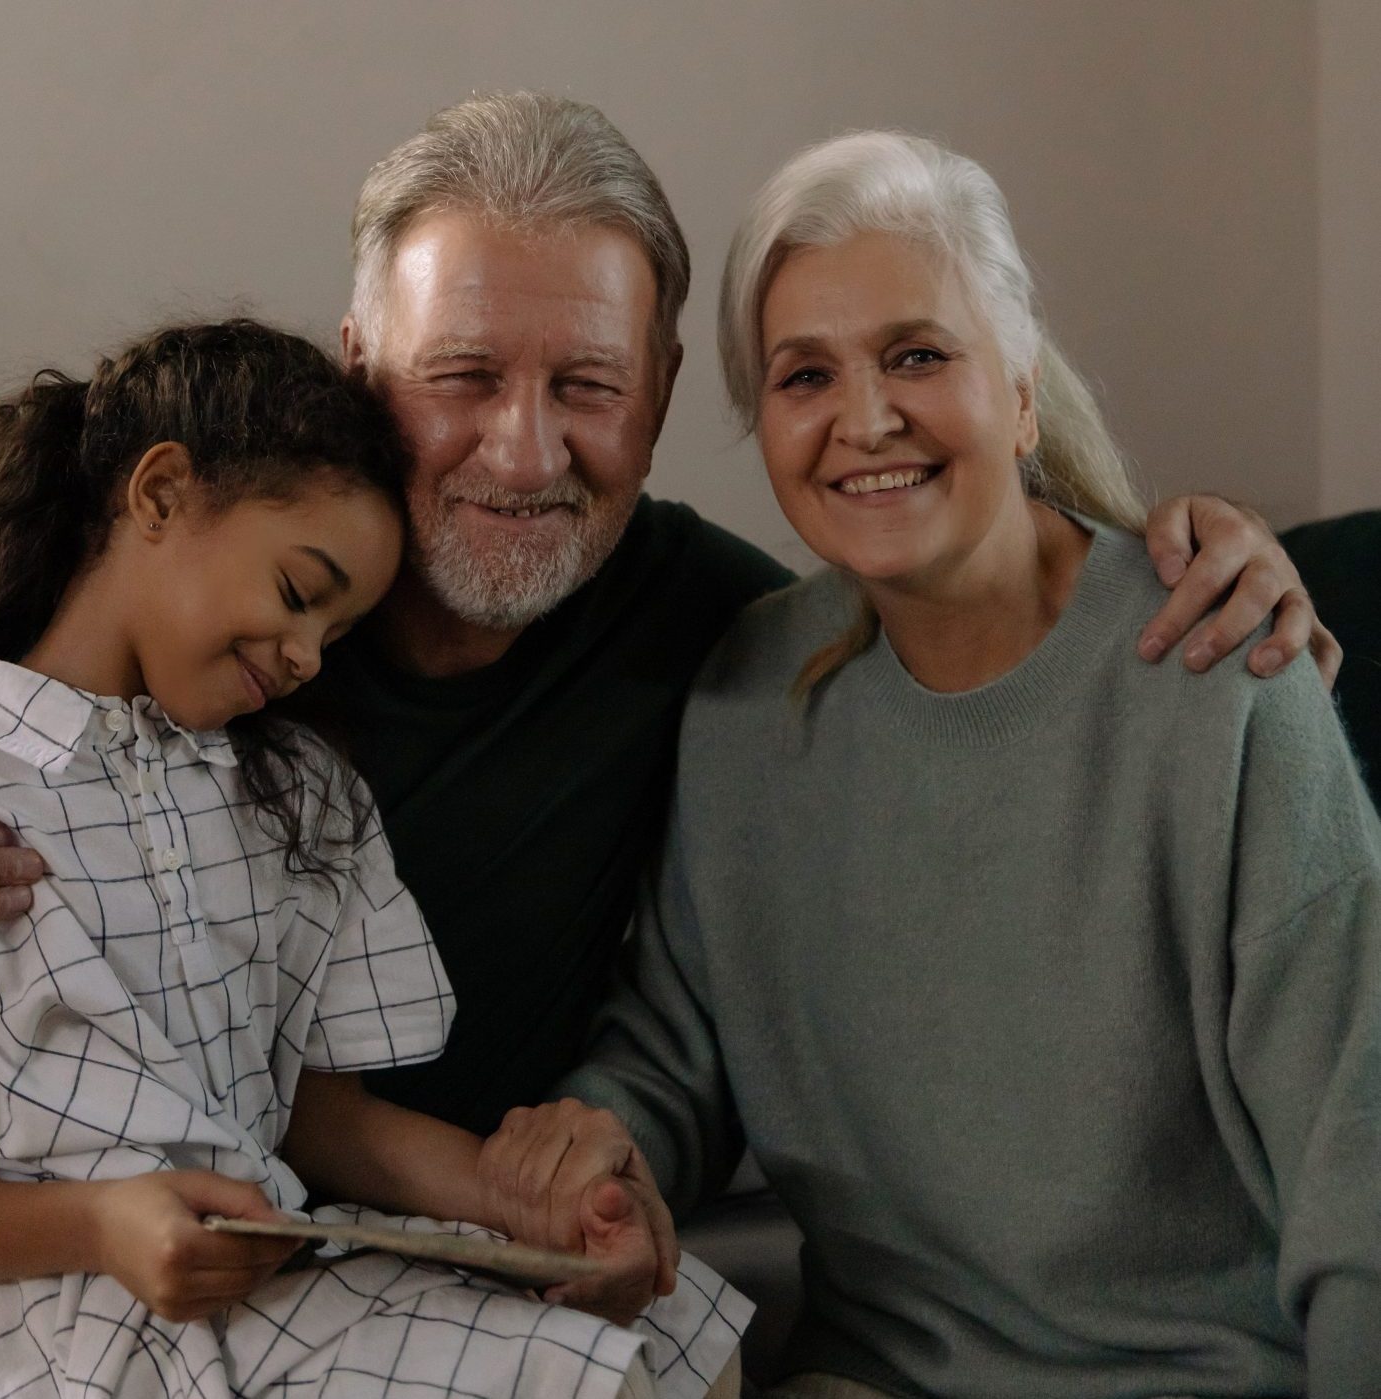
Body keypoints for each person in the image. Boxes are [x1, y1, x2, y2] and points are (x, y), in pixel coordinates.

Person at [0, 91, 1337, 1389]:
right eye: (463, 374)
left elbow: (955, 595)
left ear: (676, 390)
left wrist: (1187, 548)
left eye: (590, 384)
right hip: (87, 1287)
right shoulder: (203, 635)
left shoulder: (737, 635)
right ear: (359, 368)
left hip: (451, 1251)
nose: (524, 446)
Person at [485, 133, 1381, 1397]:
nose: (864, 419)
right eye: (804, 376)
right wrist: (598, 1146)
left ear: (1019, 392)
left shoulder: (1221, 677)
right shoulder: (746, 697)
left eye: (916, 354)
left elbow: (1365, 1168)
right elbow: (675, 1053)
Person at [0, 316, 750, 1399]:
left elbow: (311, 1113)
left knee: (682, 1326)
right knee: (593, 1382)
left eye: (334, 635)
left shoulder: (288, 789)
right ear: (158, 497)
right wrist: (102, 1223)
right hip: (45, 1333)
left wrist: (510, 1196)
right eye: (298, 593)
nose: (302, 657)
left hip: (255, 1285)